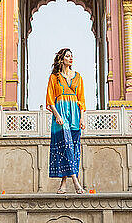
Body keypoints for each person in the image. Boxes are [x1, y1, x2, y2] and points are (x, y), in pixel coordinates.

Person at [46, 48, 86, 194]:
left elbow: (81, 99)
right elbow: (50, 100)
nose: (70, 58)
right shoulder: (54, 77)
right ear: (61, 59)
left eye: (71, 56)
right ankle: (76, 181)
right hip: (61, 115)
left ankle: (63, 184)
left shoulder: (78, 77)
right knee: (65, 146)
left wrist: (82, 118)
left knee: (73, 148)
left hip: (75, 115)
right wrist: (57, 115)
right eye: (67, 56)